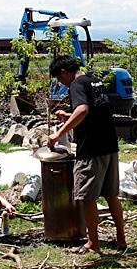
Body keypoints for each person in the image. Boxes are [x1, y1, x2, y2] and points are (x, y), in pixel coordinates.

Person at [47, 56, 127, 255]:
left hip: (91, 149)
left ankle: (93, 242)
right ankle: (121, 238)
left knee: (87, 197)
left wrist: (59, 133)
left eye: (60, 78)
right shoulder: (94, 80)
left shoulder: (76, 84)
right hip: (110, 145)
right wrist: (68, 116)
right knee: (111, 194)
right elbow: (93, 111)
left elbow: (83, 109)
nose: (62, 84)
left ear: (64, 72)